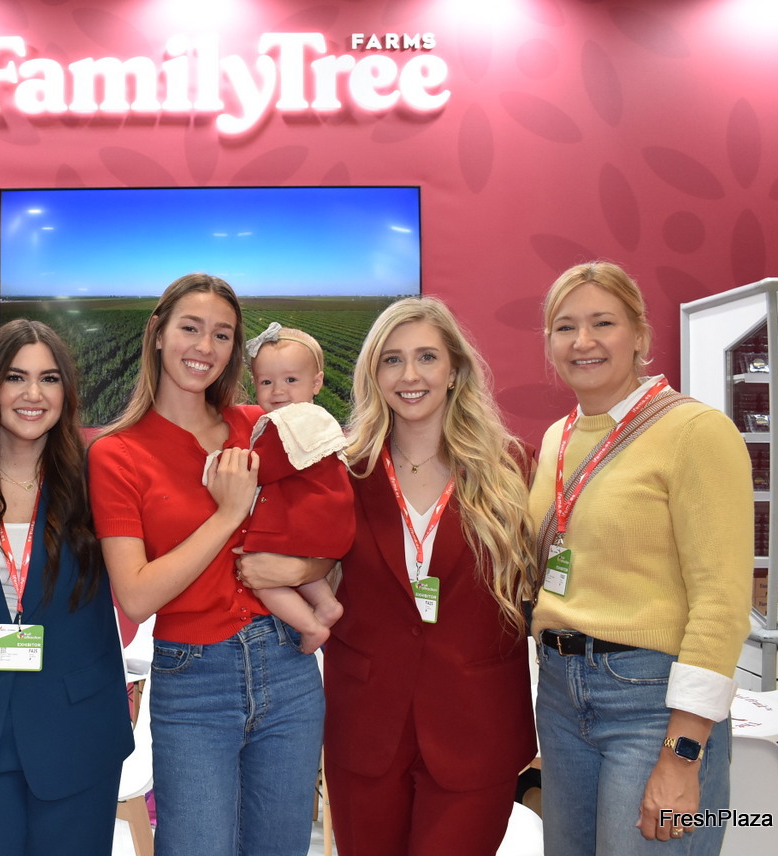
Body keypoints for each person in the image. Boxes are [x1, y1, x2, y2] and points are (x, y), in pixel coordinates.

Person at [88, 273, 329, 856]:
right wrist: (227, 515)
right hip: (194, 679)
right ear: (157, 332)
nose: (205, 347)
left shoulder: (262, 425)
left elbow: (327, 523)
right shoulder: (117, 453)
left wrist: (298, 573)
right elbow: (136, 596)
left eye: (222, 335)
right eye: (190, 328)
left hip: (288, 666)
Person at [530, 261, 751, 855]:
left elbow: (721, 603)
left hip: (652, 702)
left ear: (640, 334)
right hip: (561, 694)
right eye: (565, 327)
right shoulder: (556, 438)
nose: (583, 341)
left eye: (603, 322)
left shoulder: (696, 432)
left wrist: (683, 753)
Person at [324, 296, 537, 856]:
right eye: (392, 360)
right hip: (366, 728)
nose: (410, 375)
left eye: (426, 357)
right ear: (373, 375)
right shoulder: (341, 472)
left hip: (477, 726)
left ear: (454, 370)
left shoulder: (512, 468)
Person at [0, 320, 132, 855]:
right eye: (16, 377)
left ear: (67, 391)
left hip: (76, 732)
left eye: (49, 378)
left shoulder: (97, 478)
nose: (33, 394)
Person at [235, 321, 352, 653]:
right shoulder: (319, 417)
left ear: (316, 382)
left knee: (262, 577)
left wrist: (224, 464)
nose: (278, 392)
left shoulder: (291, 422)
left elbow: (260, 469)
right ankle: (326, 604)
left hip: (302, 519)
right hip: (327, 521)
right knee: (295, 562)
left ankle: (311, 626)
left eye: (290, 380)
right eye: (266, 382)